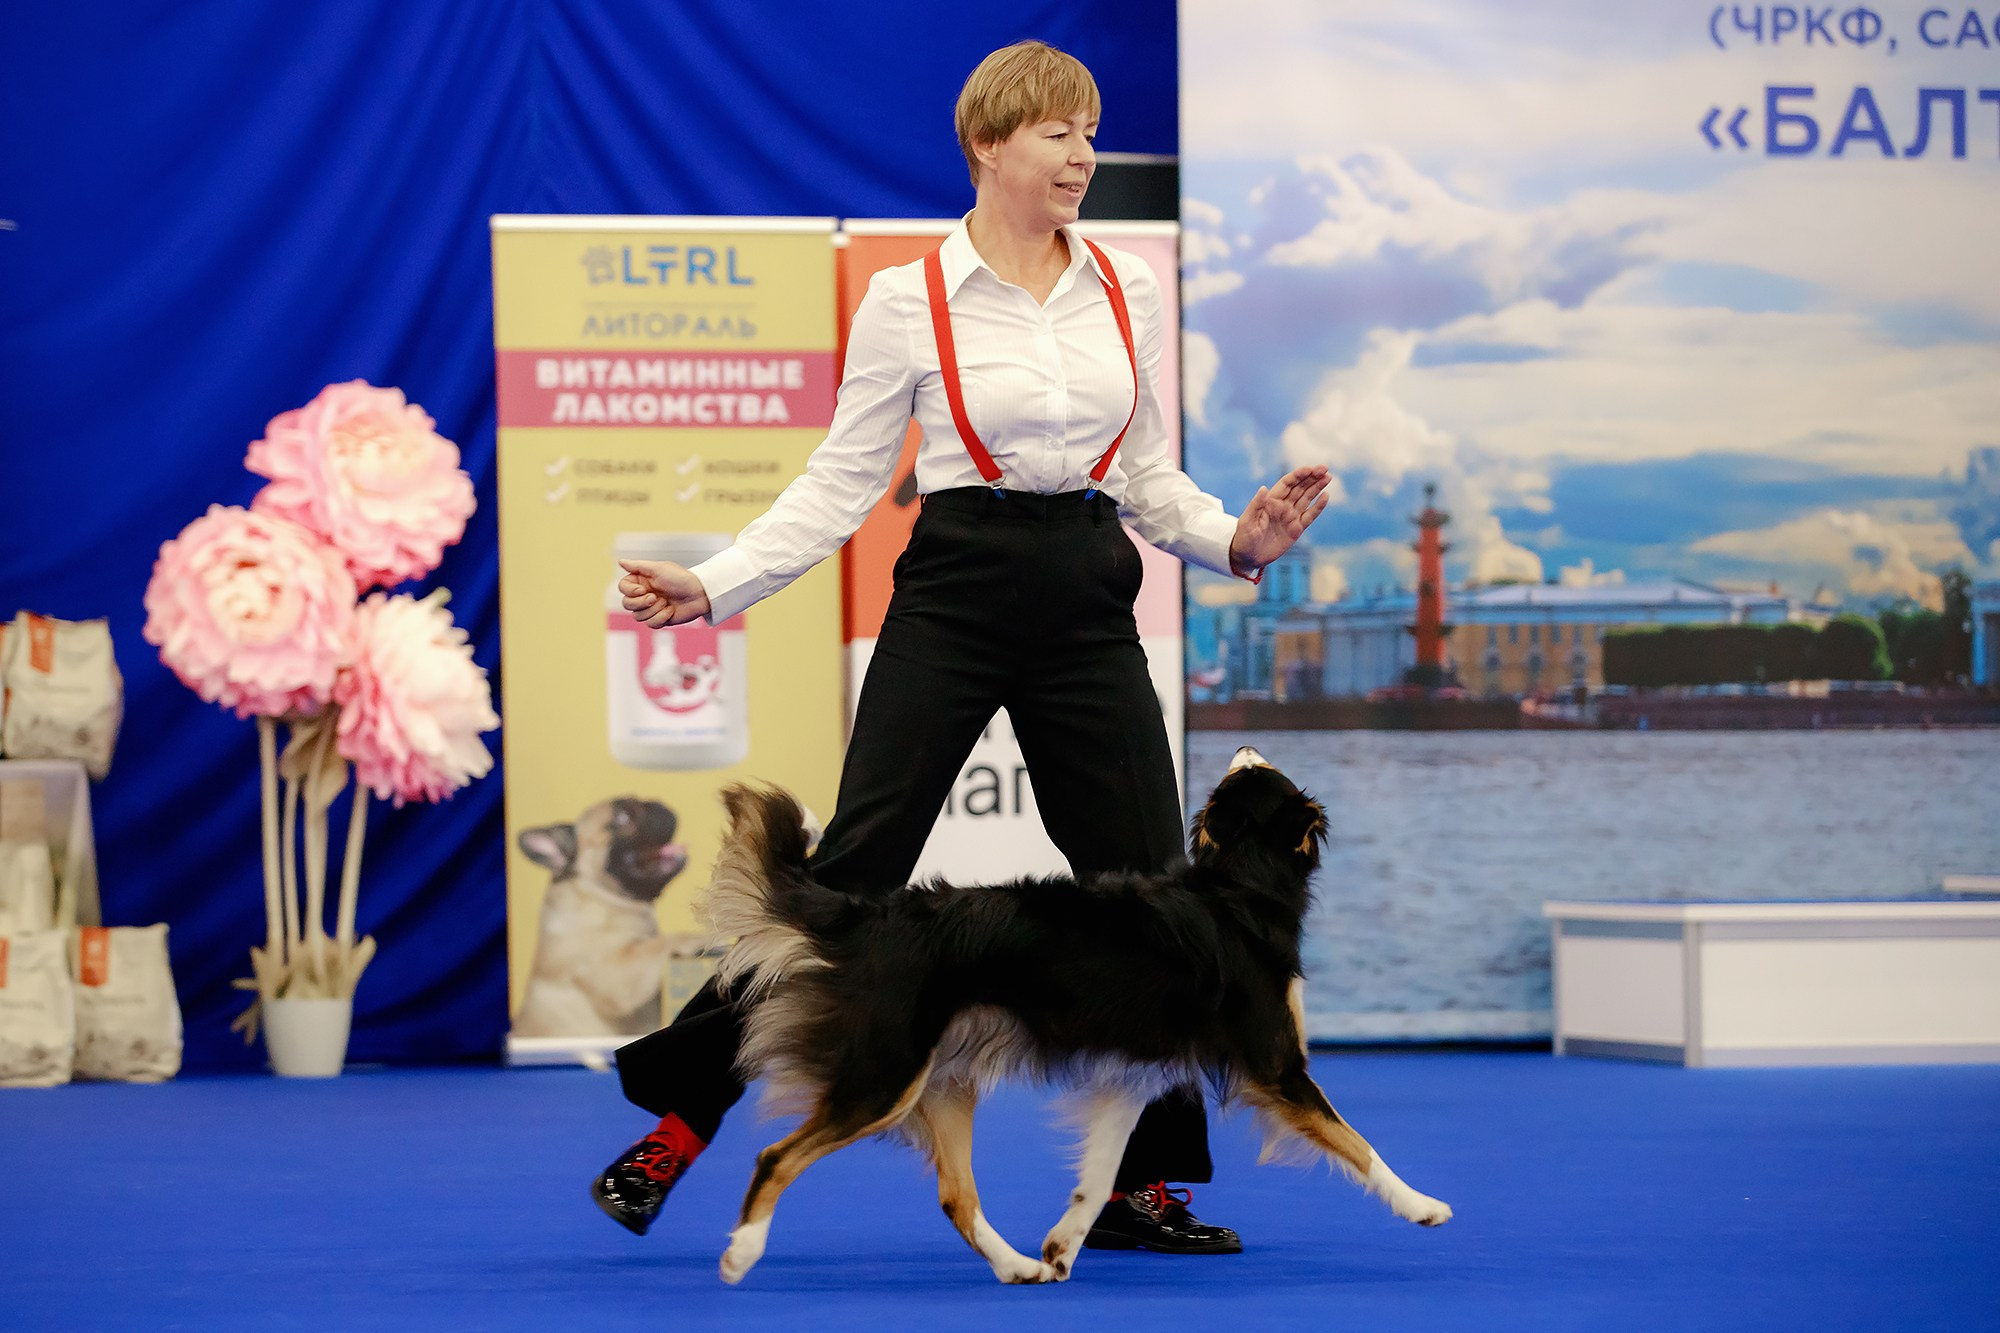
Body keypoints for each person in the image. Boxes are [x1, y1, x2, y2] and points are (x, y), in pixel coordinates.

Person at [591, 39, 1331, 1256]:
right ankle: (679, 1124)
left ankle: (1143, 1186)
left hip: (1090, 592)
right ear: (988, 145)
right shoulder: (906, 296)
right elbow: (838, 487)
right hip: (953, 587)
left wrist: (1237, 538)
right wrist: (714, 582)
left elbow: (1147, 479)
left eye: (1090, 131)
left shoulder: (1125, 289)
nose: (1083, 153)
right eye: (1057, 132)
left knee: (1154, 885)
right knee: (850, 877)